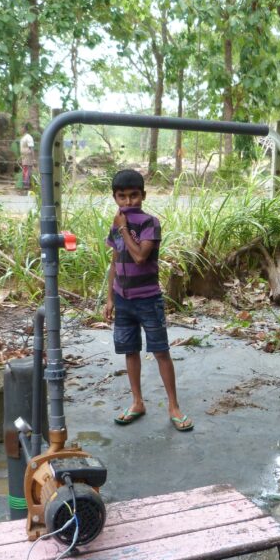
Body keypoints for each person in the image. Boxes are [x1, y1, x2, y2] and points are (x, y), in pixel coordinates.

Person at [103, 169, 193, 432]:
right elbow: (115, 261)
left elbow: (141, 256)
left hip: (147, 299)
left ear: (143, 195)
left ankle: (173, 406)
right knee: (130, 351)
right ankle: (137, 402)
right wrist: (109, 298)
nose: (128, 202)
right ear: (114, 197)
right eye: (122, 197)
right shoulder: (116, 225)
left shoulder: (149, 223)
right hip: (123, 299)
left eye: (133, 196)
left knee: (160, 351)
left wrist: (123, 228)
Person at [19, 123, 35, 191]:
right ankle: (26, 185)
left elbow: (31, 148)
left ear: (24, 129)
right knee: (25, 170)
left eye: (21, 128)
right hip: (24, 157)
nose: (20, 130)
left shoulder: (28, 137)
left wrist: (33, 159)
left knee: (27, 170)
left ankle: (27, 186)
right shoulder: (23, 137)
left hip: (28, 156)